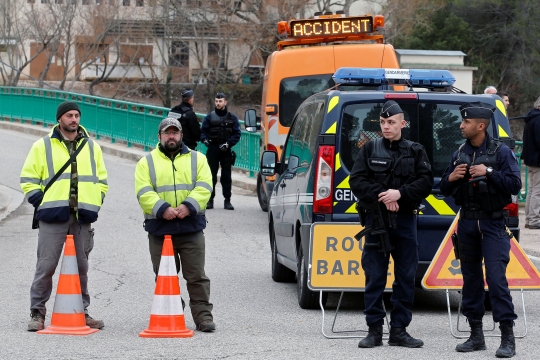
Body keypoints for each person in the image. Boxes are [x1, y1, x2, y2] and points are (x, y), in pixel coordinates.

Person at [439, 102, 521, 358]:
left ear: (481, 125)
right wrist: (451, 178)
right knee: (470, 282)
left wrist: (489, 172)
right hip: (466, 223)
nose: (461, 126)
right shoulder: (458, 153)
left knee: (496, 280)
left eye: (466, 122)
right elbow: (444, 188)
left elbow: (515, 184)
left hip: (493, 223)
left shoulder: (502, 152)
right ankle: (476, 336)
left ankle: (507, 337)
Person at [350, 100, 434, 349]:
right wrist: (385, 196)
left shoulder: (416, 150)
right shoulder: (369, 149)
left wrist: (400, 194)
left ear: (402, 124)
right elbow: (356, 181)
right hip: (377, 220)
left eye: (391, 122)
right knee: (375, 276)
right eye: (383, 123)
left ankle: (399, 330)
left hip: (405, 220)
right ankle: (374, 330)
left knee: (405, 277)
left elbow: (426, 182)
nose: (386, 127)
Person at [20, 101, 108, 331]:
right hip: (52, 215)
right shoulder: (42, 146)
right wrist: (41, 202)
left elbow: (102, 181)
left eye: (77, 115)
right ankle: (37, 313)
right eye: (69, 115)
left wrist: (96, 202)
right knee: (46, 266)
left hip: (82, 216)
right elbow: (28, 179)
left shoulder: (92, 147)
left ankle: (83, 312)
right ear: (60, 119)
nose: (74, 119)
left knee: (82, 267)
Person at [134, 117, 215, 332]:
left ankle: (203, 317)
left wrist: (189, 206)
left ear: (181, 135)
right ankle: (172, 310)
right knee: (164, 277)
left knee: (197, 276)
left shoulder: (198, 159)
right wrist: (163, 209)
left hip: (191, 229)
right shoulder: (146, 162)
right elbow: (143, 192)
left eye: (175, 132)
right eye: (167, 133)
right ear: (159, 137)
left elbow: (205, 186)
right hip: (160, 230)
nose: (171, 136)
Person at [200, 92, 241, 210]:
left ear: (225, 102)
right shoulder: (209, 117)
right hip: (213, 148)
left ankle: (227, 200)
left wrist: (228, 143)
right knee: (210, 176)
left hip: (226, 149)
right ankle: (210, 200)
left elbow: (237, 133)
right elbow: (203, 132)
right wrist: (205, 140)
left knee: (226, 176)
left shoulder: (232, 118)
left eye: (220, 101)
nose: (218, 103)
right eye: (217, 101)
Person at [522, 96, 540, 229]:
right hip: (538, 159)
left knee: (532, 190)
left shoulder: (531, 117)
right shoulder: (539, 119)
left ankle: (529, 219)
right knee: (537, 191)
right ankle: (534, 220)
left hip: (530, 158)